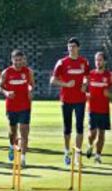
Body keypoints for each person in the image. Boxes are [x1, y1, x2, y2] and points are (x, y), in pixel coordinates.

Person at [50, 37, 89, 165]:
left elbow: (87, 77)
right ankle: (67, 151)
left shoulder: (84, 62)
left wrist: (85, 83)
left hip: (80, 99)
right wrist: (66, 84)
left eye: (73, 46)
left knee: (79, 128)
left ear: (78, 48)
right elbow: (53, 80)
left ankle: (77, 155)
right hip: (66, 99)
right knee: (67, 128)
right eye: (69, 46)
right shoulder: (62, 62)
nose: (71, 49)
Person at [0, 50, 34, 167]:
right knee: (12, 132)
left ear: (23, 59)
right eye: (16, 60)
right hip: (11, 106)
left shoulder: (28, 72)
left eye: (20, 60)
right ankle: (11, 146)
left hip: (25, 105)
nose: (18, 62)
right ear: (12, 60)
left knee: (24, 132)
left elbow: (31, 84)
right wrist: (6, 92)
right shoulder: (6, 72)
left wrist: (30, 90)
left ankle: (23, 158)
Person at [85, 52, 111, 164]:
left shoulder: (109, 76)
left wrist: (109, 94)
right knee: (92, 134)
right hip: (92, 109)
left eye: (100, 60)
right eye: (96, 60)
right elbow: (83, 90)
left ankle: (98, 156)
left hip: (104, 110)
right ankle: (90, 145)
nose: (98, 62)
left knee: (101, 134)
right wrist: (86, 95)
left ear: (104, 61)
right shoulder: (90, 75)